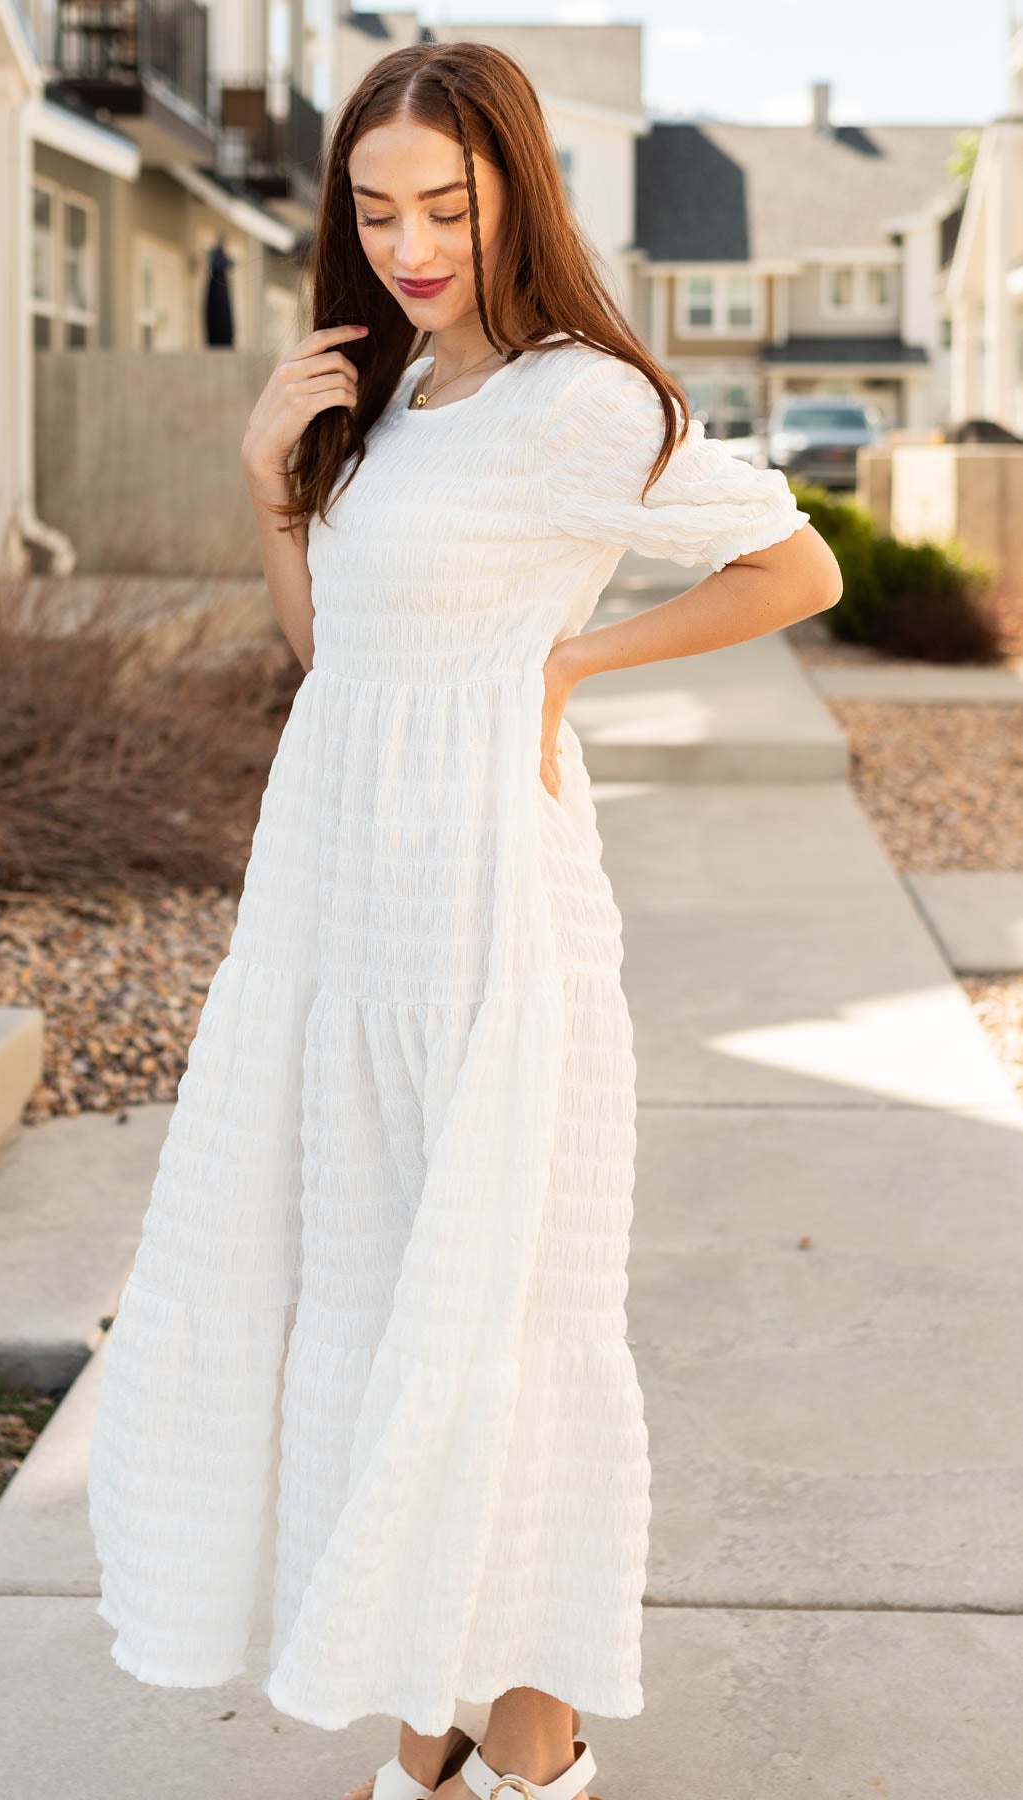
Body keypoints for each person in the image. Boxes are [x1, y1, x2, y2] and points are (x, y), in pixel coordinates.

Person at [85, 40, 842, 1800]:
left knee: (499, 1310)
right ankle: (433, 1702)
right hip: (346, 913)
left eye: (449, 204)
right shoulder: (397, 388)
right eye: (376, 209)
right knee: (375, 1302)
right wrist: (276, 480)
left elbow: (792, 565)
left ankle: (531, 1730)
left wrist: (575, 660)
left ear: (516, 195)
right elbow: (336, 658)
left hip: (495, 923)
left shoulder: (579, 399)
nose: (412, 242)